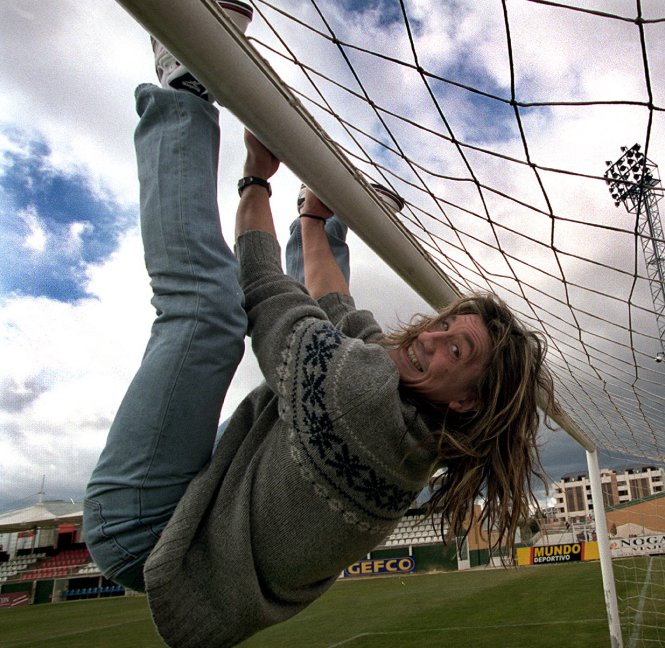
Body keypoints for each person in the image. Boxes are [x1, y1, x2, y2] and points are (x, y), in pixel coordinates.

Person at [83, 5, 554, 647]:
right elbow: (341, 316)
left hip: (146, 527)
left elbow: (265, 292)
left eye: (456, 348)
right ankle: (331, 218)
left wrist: (256, 179)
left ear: (469, 397)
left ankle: (179, 85)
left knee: (209, 312)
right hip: (198, 517)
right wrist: (315, 220)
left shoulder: (361, 403)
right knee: (329, 332)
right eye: (447, 325)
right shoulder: (414, 436)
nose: (431, 336)